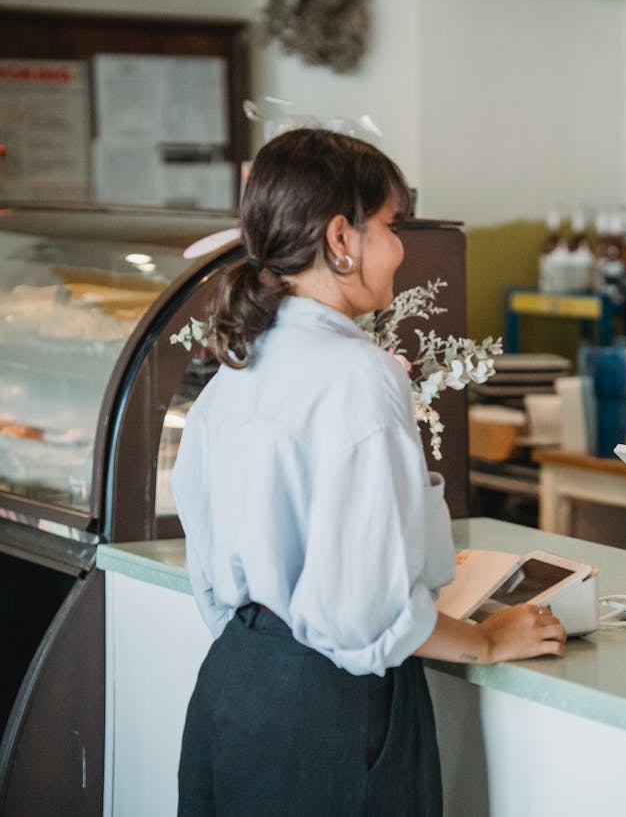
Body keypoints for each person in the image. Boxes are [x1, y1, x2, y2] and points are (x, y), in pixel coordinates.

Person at [171, 128, 566, 817]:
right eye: (389, 225)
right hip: (330, 718)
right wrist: (488, 640)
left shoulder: (235, 371)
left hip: (232, 691)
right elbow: (361, 615)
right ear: (340, 239)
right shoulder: (359, 376)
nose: (401, 246)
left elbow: (208, 563)